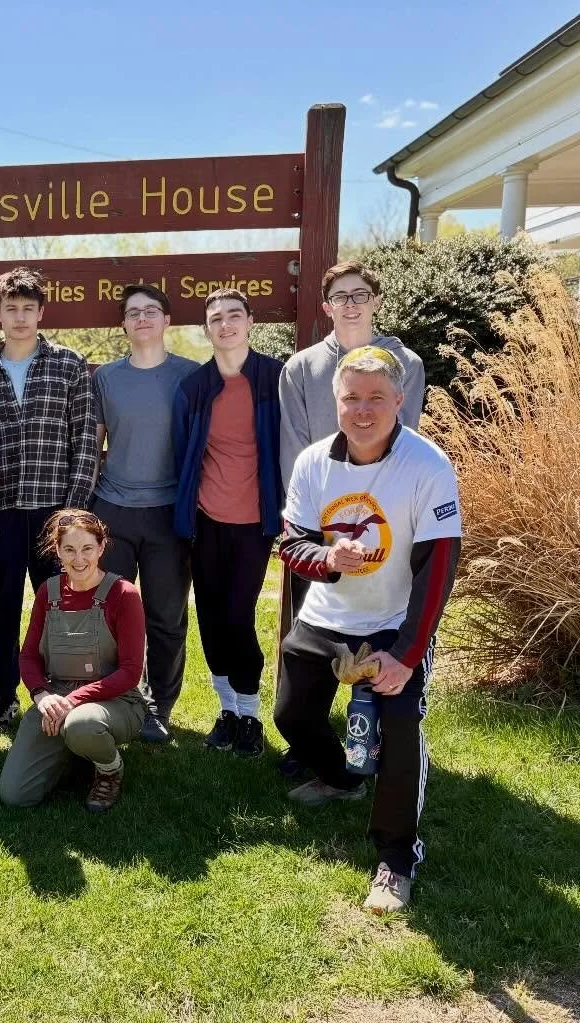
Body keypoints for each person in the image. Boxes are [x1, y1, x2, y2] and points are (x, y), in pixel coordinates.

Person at [273, 346, 461, 914]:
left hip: (391, 624)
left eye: (376, 397)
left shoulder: (427, 465)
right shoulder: (313, 462)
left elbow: (439, 568)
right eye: (351, 397)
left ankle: (396, 858)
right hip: (325, 616)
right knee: (291, 716)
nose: (362, 409)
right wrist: (328, 559)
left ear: (399, 400)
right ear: (336, 401)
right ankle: (341, 779)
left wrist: (407, 653)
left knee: (400, 730)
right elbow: (291, 544)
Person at [276, 262, 427, 777]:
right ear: (327, 306)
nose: (351, 304)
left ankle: (375, 733)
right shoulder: (301, 367)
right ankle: (307, 740)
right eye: (340, 296)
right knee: (309, 635)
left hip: (382, 517)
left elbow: (404, 436)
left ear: (375, 301)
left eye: (360, 294)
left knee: (382, 625)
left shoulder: (406, 362)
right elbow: (294, 444)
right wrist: (310, 529)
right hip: (318, 523)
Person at [0, 267, 97, 736]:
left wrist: (73, 514)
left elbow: (85, 439)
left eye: (28, 308)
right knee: (2, 610)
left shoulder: (69, 365)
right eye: (11, 309)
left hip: (54, 513)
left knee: (62, 606)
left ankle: (67, 693)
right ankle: (3, 699)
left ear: (41, 312)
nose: (20, 317)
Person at [171, 288, 284, 756]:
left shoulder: (276, 379)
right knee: (211, 618)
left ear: (250, 321)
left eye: (234, 315)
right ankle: (228, 711)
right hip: (206, 521)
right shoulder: (195, 387)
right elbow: (182, 455)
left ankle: (252, 715)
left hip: (254, 521)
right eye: (216, 318)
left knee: (238, 616)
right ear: (207, 328)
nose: (226, 324)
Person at [90, 283, 198, 743]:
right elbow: (94, 444)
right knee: (110, 613)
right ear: (124, 324)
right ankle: (116, 695)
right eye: (133, 312)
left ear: (167, 320)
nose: (142, 318)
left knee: (166, 616)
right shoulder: (106, 378)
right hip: (113, 508)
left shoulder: (190, 375)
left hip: (169, 514)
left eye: (151, 310)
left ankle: (159, 705)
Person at [0, 510, 147, 813]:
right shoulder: (48, 592)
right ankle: (77, 753)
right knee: (15, 794)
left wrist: (73, 701)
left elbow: (131, 672)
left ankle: (109, 769)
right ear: (57, 550)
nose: (79, 559)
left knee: (82, 724)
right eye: (69, 549)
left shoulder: (124, 594)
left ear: (101, 548)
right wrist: (42, 695)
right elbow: (28, 656)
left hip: (115, 701)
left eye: (87, 548)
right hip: (56, 698)